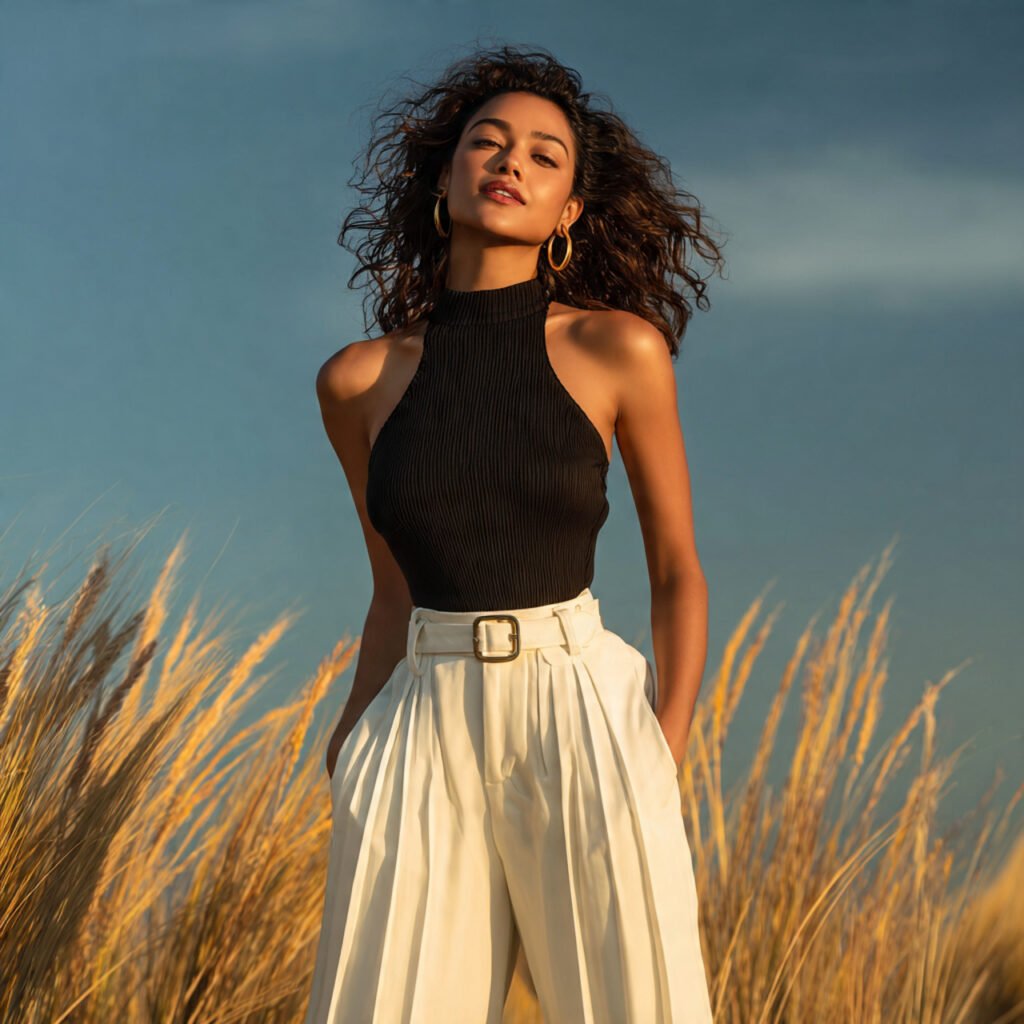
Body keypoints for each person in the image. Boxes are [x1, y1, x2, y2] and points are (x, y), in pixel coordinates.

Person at [304, 43, 726, 1024]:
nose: (511, 163)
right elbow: (393, 590)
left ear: (568, 212)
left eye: (544, 157)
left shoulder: (615, 349)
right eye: (487, 143)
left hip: (579, 704)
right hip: (419, 714)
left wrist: (662, 743)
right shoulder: (358, 383)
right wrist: (353, 737)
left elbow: (677, 569)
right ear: (444, 176)